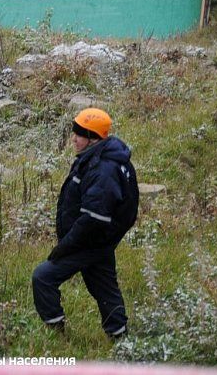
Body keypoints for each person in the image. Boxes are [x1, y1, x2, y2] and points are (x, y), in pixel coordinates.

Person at [31, 108, 139, 338]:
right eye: (74, 132)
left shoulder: (104, 169)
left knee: (43, 277)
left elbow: (94, 219)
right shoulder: (98, 158)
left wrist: (65, 247)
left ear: (93, 138)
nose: (73, 138)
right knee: (105, 289)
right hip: (99, 242)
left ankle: (56, 334)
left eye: (79, 134)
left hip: (88, 242)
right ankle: (121, 338)